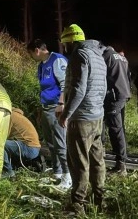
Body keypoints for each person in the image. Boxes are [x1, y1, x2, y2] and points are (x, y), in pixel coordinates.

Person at [57, 24, 107, 216]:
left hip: (82, 119)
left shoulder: (80, 56)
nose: (64, 48)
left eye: (65, 44)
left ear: (71, 41)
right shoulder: (98, 56)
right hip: (97, 117)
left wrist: (66, 114)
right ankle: (99, 200)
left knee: (79, 163)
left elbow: (78, 89)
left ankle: (77, 205)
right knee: (97, 161)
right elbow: (101, 88)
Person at [26, 39, 71, 190]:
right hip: (46, 107)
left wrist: (61, 104)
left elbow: (66, 83)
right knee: (50, 142)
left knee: (60, 141)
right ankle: (57, 173)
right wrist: (41, 109)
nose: (31, 57)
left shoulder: (57, 60)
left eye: (31, 53)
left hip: (56, 107)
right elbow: (44, 87)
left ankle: (68, 175)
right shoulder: (41, 66)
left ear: (37, 50)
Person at [100, 44, 131, 176]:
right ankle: (120, 161)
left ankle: (120, 166)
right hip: (123, 95)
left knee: (114, 129)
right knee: (119, 129)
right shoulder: (123, 58)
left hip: (113, 97)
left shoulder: (106, 56)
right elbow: (129, 76)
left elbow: (102, 77)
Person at [2, 107, 41, 178]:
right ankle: (12, 168)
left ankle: (8, 171)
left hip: (29, 148)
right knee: (7, 144)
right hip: (34, 149)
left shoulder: (10, 116)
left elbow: (3, 136)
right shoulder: (18, 116)